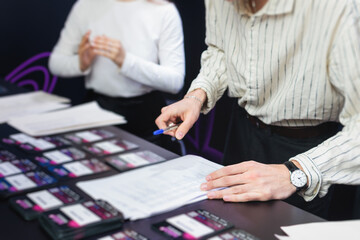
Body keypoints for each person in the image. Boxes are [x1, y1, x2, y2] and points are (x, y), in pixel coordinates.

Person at [155, 0, 360, 218]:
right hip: (241, 131)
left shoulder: (340, 7)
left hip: (306, 147)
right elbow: (220, 50)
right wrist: (197, 96)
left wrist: (295, 173)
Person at [49, 0, 185, 139]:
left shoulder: (164, 10)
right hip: (96, 111)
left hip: (146, 117)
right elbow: (56, 63)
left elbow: (175, 81)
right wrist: (81, 63)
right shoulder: (86, 5)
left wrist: (125, 61)